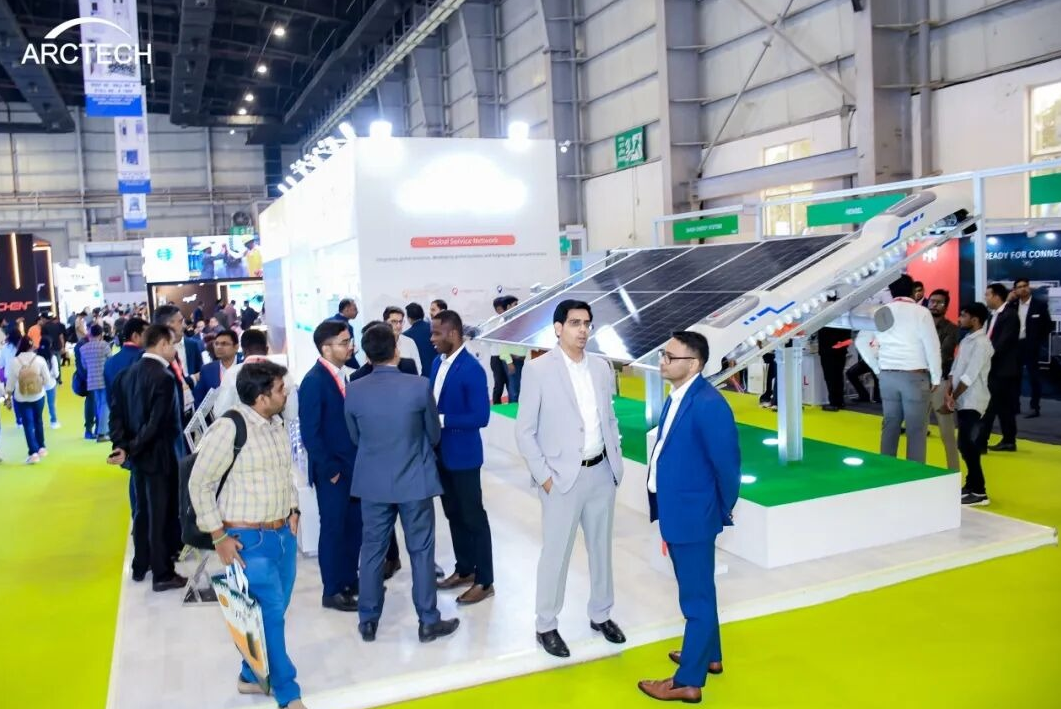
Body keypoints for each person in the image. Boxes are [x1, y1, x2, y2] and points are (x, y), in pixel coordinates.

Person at [189, 361, 307, 709]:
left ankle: (250, 674)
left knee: (272, 612)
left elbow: (285, 472)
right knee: (270, 612)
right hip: (245, 539)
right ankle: (288, 692)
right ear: (261, 396)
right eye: (281, 389)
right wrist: (218, 536)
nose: (287, 394)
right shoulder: (229, 427)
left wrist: (294, 509)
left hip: (282, 534)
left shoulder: (276, 424)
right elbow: (200, 483)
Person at [515, 299, 626, 658]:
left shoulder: (601, 367)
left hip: (601, 473)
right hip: (561, 479)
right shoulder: (538, 369)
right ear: (558, 328)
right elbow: (524, 430)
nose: (583, 330)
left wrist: (615, 462)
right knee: (556, 553)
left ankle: (601, 614)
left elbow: (608, 418)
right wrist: (544, 477)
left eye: (587, 323)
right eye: (575, 323)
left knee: (601, 550)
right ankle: (545, 624)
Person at [637, 332, 741, 703]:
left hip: (693, 515)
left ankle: (687, 681)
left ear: (693, 364)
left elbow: (728, 467)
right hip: (680, 510)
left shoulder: (709, 405)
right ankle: (709, 655)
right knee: (700, 589)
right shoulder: (679, 396)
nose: (663, 362)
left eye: (671, 357)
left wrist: (717, 509)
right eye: (663, 354)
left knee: (694, 600)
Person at [345, 323, 459, 643]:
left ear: (367, 355)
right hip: (415, 481)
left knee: (372, 551)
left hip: (373, 483)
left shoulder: (354, 390)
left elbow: (355, 437)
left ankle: (368, 620)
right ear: (396, 350)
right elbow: (433, 434)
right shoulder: (419, 386)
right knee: (421, 551)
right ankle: (428, 620)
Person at [108, 325, 187, 591]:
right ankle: (162, 573)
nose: (174, 350)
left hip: (139, 458)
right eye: (173, 344)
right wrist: (131, 447)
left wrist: (123, 447)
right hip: (160, 456)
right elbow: (157, 424)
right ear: (163, 344)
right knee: (161, 515)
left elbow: (116, 417)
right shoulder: (164, 377)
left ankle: (141, 564)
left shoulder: (125, 374)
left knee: (142, 512)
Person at [429, 310, 494, 605]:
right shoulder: (436, 363)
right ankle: (465, 569)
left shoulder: (472, 369)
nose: (432, 339)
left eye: (436, 333)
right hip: (440, 455)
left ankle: (485, 581)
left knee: (473, 517)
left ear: (453, 334)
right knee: (453, 514)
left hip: (464, 457)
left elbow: (481, 417)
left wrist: (441, 420)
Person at [298, 320, 361, 612]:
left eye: (350, 341)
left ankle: (349, 581)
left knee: (353, 527)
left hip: (352, 468)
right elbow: (310, 433)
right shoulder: (314, 380)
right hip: (333, 472)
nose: (350, 347)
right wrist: (330, 470)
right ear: (326, 348)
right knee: (334, 529)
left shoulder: (342, 375)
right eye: (344, 343)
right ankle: (332, 590)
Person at [855, 274, 942, 463]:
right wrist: (936, 377)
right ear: (913, 291)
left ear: (891, 291)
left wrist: (877, 369)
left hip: (887, 375)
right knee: (916, 429)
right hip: (915, 376)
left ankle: (887, 469)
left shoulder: (881, 312)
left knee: (890, 424)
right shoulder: (921, 312)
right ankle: (914, 473)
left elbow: (861, 341)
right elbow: (932, 347)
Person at [942, 303, 994, 507]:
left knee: (965, 443)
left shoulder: (982, 344)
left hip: (973, 399)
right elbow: (955, 369)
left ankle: (979, 490)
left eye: (963, 316)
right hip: (961, 398)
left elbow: (970, 375)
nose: (959, 319)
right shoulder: (966, 340)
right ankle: (971, 485)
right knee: (964, 443)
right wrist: (949, 390)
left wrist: (953, 396)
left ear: (975, 319)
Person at [105, 317, 148, 519]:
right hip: (145, 424)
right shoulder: (144, 359)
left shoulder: (111, 362)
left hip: (121, 424)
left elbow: (109, 399)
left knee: (135, 474)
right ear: (136, 336)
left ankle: (137, 518)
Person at [212, 329, 299, 423]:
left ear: (243, 350)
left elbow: (219, 412)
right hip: (274, 429)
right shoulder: (283, 374)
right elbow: (291, 414)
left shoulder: (232, 374)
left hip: (242, 429)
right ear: (266, 349)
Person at [977, 283, 1021, 452]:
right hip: (995, 367)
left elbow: (1003, 343)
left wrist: (986, 357)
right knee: (1004, 407)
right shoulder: (993, 315)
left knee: (989, 406)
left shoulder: (1010, 315)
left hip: (1002, 368)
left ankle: (981, 443)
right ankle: (1009, 441)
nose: (986, 298)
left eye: (987, 295)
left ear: (996, 296)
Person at [4, 336, 54, 464]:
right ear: (32, 346)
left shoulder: (15, 361)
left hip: (21, 397)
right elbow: (47, 381)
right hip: (38, 396)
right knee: (38, 420)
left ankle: (33, 453)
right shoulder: (40, 360)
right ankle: (42, 447)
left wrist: (8, 396)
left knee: (28, 424)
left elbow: (10, 382)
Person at [927, 289, 960, 472]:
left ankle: (953, 471)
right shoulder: (920, 326)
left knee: (947, 432)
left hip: (940, 382)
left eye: (939, 302)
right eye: (932, 301)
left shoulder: (951, 329)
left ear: (946, 307)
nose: (934, 305)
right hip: (919, 381)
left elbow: (944, 354)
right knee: (917, 431)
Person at [1011, 277, 1053, 418]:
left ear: (1029, 287)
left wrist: (1037, 341)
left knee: (1034, 376)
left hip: (1031, 345)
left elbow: (1048, 325)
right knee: (1014, 376)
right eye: (1019, 287)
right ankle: (1015, 406)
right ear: (1015, 290)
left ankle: (1035, 407)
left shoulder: (1039, 305)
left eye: (1025, 285)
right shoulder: (1012, 305)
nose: (1023, 288)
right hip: (1015, 346)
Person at [80, 324, 113, 442]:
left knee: (99, 404)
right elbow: (110, 361)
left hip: (92, 379)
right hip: (104, 378)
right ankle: (102, 433)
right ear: (101, 334)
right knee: (105, 405)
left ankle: (100, 429)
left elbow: (84, 366)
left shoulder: (83, 348)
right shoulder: (104, 346)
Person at [193, 329, 238, 409]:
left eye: (224, 344)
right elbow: (199, 400)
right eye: (216, 344)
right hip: (214, 416)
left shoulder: (245, 367)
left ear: (236, 347)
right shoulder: (207, 369)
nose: (219, 347)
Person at [817, 326, 851, 412]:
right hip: (840, 351)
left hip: (828, 351)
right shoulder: (843, 323)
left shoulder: (826, 323)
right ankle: (839, 401)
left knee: (830, 377)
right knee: (838, 376)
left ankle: (834, 403)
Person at [384, 306, 422, 374]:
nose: (398, 326)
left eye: (400, 321)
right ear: (385, 322)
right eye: (394, 321)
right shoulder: (378, 343)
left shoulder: (410, 342)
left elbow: (418, 367)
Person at [404, 303, 435, 378]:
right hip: (437, 371)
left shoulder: (406, 336)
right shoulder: (434, 329)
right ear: (423, 314)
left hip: (419, 376)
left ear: (409, 318)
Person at [36, 337, 61, 429]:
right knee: (51, 404)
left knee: (38, 404)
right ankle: (53, 421)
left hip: (38, 384)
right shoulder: (52, 357)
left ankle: (38, 422)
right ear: (50, 345)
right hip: (50, 383)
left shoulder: (36, 357)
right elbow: (56, 373)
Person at [329, 298, 361, 369]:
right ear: (346, 309)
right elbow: (348, 353)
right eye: (355, 309)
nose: (357, 312)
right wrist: (357, 369)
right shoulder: (347, 327)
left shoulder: (327, 321)